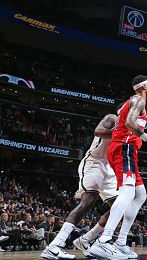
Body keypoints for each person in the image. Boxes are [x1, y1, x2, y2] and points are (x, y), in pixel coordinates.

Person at [89, 75, 147, 259]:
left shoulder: (134, 102)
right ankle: (103, 241)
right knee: (127, 192)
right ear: (144, 86)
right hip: (123, 148)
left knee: (140, 194)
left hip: (126, 150)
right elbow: (129, 123)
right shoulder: (138, 100)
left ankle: (120, 242)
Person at [41, 109, 120, 259]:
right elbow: (98, 131)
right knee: (89, 200)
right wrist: (119, 132)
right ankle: (54, 245)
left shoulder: (130, 127)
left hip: (108, 167)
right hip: (94, 162)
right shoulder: (112, 118)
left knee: (120, 206)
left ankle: (86, 240)